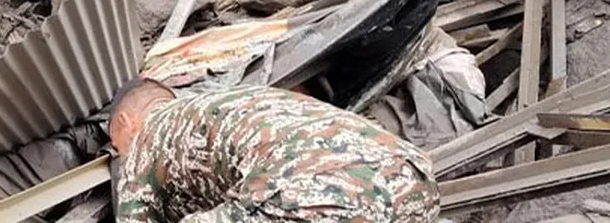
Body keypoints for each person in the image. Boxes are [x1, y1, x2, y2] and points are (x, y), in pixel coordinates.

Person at [111, 79, 440, 222]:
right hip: (415, 185)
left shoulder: (146, 137)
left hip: (318, 200)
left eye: (117, 146)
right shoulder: (239, 100)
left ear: (128, 122)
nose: (122, 155)